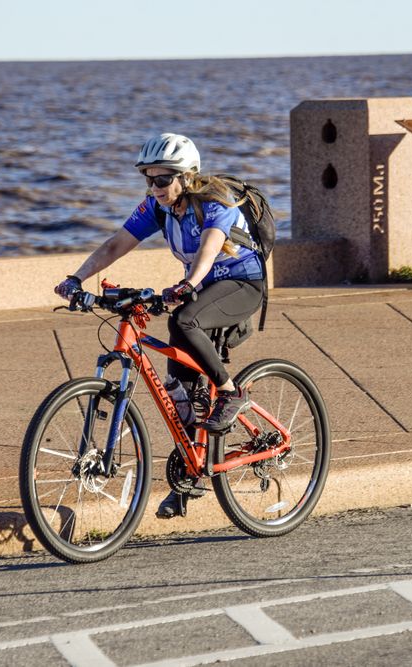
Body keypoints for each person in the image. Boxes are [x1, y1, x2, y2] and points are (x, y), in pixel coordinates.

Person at [54, 133, 265, 518]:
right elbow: (117, 243)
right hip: (199, 288)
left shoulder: (215, 201)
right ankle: (188, 480)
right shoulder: (158, 207)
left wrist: (187, 285)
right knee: (182, 392)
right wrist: (77, 278)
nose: (154, 188)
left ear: (187, 176)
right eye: (148, 179)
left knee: (185, 320)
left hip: (240, 284)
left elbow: (210, 248)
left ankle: (231, 392)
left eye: (163, 179)